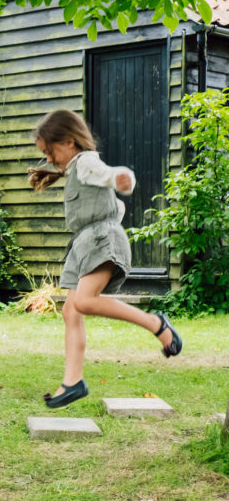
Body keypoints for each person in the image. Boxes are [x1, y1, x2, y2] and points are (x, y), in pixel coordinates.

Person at [27, 109, 182, 409]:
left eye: (50, 151)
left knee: (84, 302)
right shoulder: (73, 168)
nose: (48, 159)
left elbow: (105, 173)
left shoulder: (85, 161)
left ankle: (156, 323)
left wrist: (119, 178)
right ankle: (72, 382)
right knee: (71, 312)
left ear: (70, 142)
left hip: (101, 239)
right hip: (84, 243)